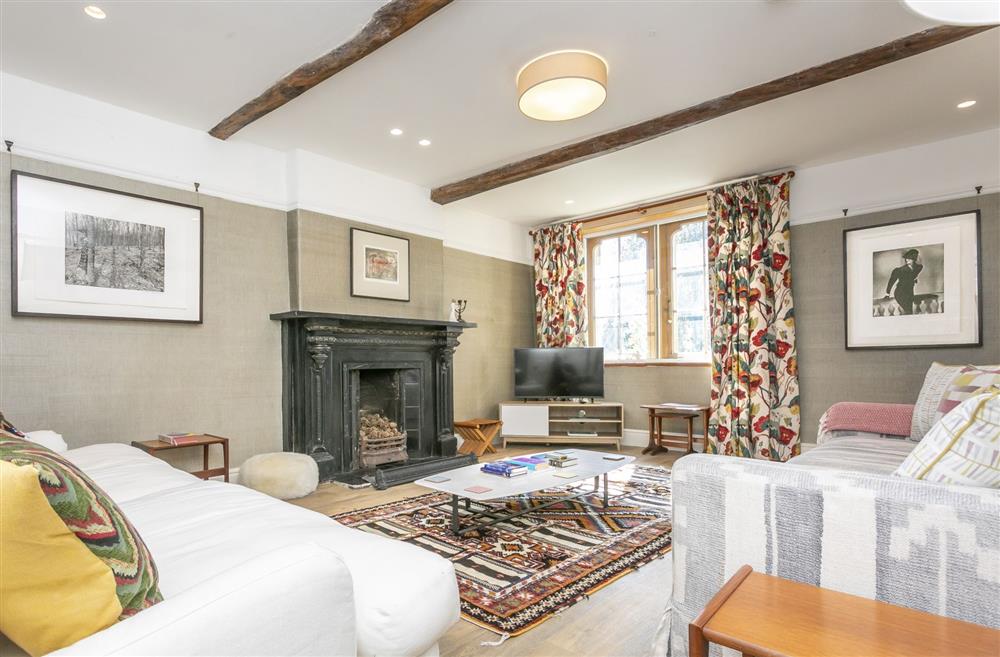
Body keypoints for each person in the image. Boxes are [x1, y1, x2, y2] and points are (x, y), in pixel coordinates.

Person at [886, 248, 922, 315]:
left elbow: (914, 274)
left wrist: (914, 280)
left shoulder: (918, 268)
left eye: (909, 258)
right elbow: (891, 281)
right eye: (906, 258)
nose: (906, 260)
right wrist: (887, 293)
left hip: (910, 291)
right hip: (900, 292)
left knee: (909, 311)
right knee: (908, 311)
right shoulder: (900, 270)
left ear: (914, 259)